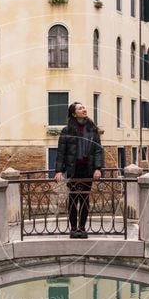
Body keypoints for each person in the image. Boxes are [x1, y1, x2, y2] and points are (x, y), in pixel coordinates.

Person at [54, 102, 104, 238]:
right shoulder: (67, 130)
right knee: (73, 198)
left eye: (84, 107)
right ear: (74, 113)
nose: (84, 109)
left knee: (85, 199)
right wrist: (58, 171)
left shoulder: (92, 129)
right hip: (73, 169)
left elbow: (98, 150)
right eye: (80, 108)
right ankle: (73, 229)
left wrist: (98, 168)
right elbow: (61, 152)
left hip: (88, 169)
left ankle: (82, 228)